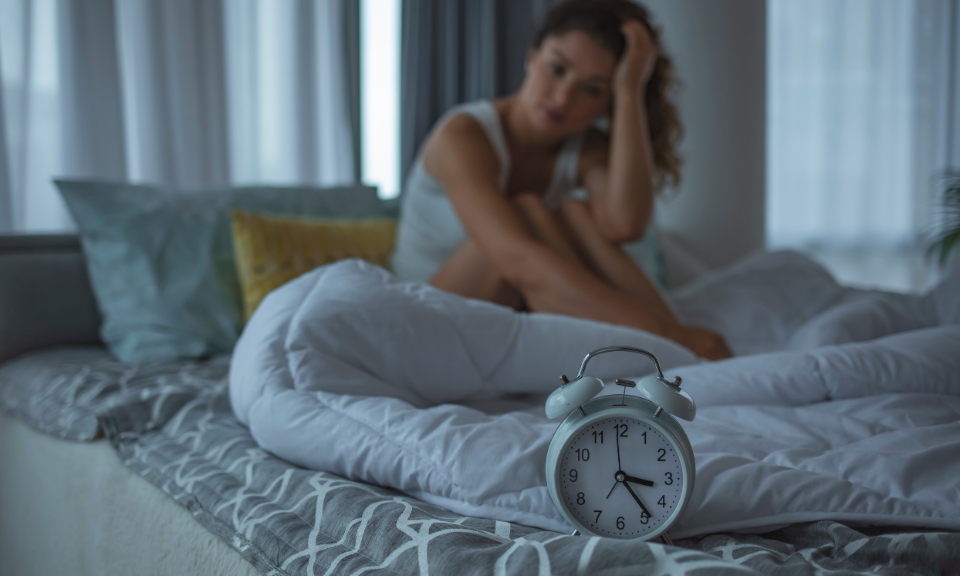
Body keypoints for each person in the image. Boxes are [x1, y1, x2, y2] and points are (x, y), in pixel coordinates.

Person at [391, 0, 731, 360]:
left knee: (572, 212)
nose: (563, 97)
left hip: (507, 310)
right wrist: (664, 333)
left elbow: (625, 224)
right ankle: (669, 346)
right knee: (526, 212)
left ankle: (677, 352)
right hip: (424, 315)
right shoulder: (462, 136)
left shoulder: (584, 148)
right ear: (532, 57)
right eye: (556, 68)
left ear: (607, 103)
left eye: (593, 89)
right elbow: (515, 260)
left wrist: (630, 90)